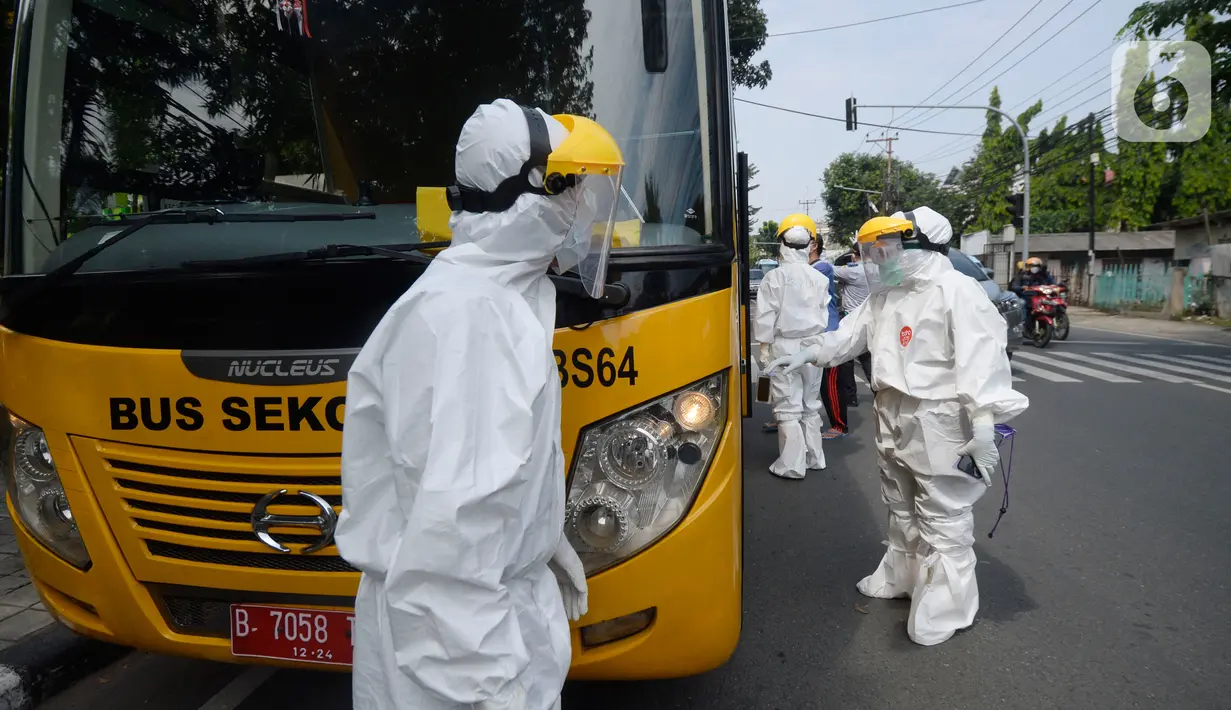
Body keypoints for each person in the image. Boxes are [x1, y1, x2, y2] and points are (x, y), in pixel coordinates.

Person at [336, 98, 625, 710]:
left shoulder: (496, 299)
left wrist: (542, 542)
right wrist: (493, 693)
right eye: (571, 187)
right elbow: (445, 555)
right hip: (453, 659)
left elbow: (493, 490)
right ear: (531, 196)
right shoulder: (468, 320)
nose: (579, 207)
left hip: (485, 621)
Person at [767, 206, 1029, 646]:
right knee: (900, 501)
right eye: (875, 250)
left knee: (943, 512)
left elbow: (983, 361)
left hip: (940, 417)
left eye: (887, 248)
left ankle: (948, 605)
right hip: (892, 410)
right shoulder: (887, 295)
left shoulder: (957, 292)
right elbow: (849, 335)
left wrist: (983, 426)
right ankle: (902, 577)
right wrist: (810, 352)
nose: (879, 258)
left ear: (920, 247)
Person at [753, 213, 830, 478]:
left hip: (784, 347)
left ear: (782, 245)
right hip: (813, 345)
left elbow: (765, 317)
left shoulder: (774, 278)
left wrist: (764, 348)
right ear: (810, 245)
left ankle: (792, 465)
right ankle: (814, 457)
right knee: (810, 403)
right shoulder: (820, 278)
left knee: (787, 406)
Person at [833, 249, 873, 388]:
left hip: (851, 320)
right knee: (868, 360)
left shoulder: (853, 271)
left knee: (846, 361)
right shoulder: (877, 269)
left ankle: (851, 396)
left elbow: (828, 268)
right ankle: (878, 392)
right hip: (870, 319)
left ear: (855, 255)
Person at [1011, 256, 1057, 330]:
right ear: (1028, 267)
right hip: (1025, 298)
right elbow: (1014, 286)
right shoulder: (1022, 276)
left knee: (1051, 303)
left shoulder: (1042, 276)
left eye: (1036, 266)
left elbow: (1051, 283)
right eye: (1032, 266)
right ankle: (1022, 324)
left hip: (1038, 298)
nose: (1034, 268)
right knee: (1022, 303)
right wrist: (1022, 288)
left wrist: (1054, 287)